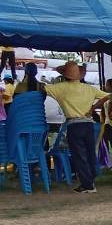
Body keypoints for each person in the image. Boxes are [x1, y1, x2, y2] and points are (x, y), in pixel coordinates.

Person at [46, 60, 105, 193]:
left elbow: (43, 88)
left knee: (79, 155)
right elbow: (109, 96)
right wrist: (93, 108)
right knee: (90, 153)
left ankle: (88, 185)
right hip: (88, 123)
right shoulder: (89, 88)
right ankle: (92, 178)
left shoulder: (60, 87)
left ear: (64, 75)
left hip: (74, 124)